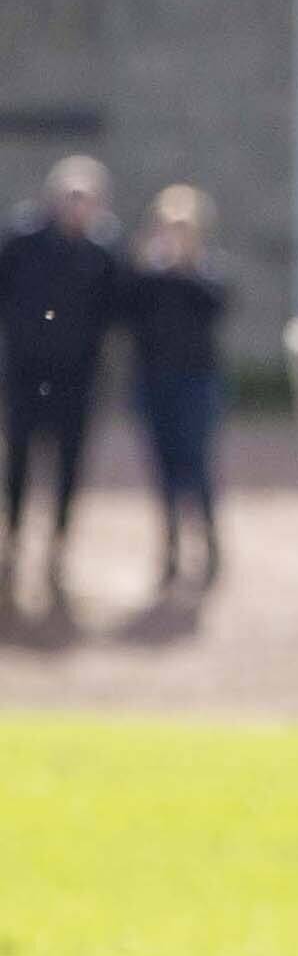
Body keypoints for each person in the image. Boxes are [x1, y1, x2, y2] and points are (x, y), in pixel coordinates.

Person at [0, 157, 122, 614]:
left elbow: (118, 309)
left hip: (76, 379)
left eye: (85, 198)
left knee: (69, 465)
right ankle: (12, 541)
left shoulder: (103, 252)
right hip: (26, 374)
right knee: (18, 462)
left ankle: (57, 546)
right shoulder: (22, 241)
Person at [118, 187, 228, 602]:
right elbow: (125, 310)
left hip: (197, 382)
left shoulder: (205, 275)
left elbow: (216, 305)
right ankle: (171, 547)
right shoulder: (146, 277)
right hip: (153, 382)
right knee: (163, 467)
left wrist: (186, 268)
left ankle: (208, 542)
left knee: (195, 464)